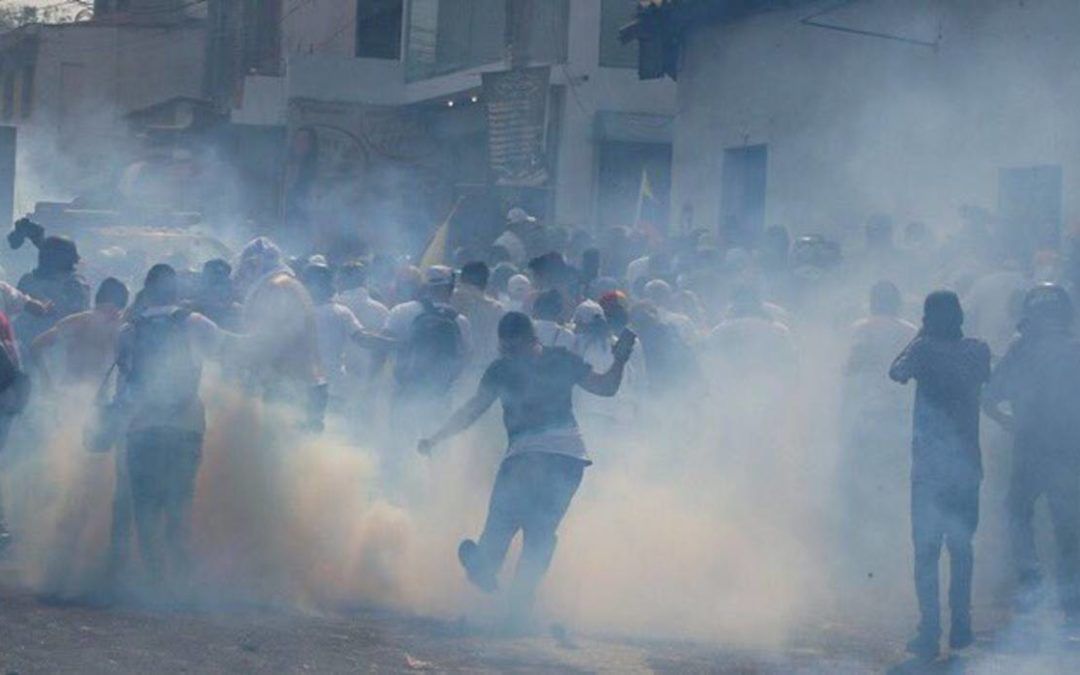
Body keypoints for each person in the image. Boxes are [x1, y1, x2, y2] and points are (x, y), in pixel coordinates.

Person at [417, 312, 636, 625]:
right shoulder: (555, 359)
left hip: (534, 456)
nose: (513, 355)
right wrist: (620, 360)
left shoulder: (510, 367)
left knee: (508, 522)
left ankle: (489, 571)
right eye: (508, 350)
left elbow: (472, 410)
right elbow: (605, 387)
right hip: (568, 458)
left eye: (513, 348)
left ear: (525, 340)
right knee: (538, 531)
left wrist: (437, 438)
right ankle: (515, 604)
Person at [112, 264, 232, 592]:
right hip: (185, 426)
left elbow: (123, 383)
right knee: (179, 502)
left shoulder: (128, 330)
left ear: (147, 290)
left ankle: (154, 580)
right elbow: (231, 352)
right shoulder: (194, 323)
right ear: (176, 290)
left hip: (141, 428)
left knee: (145, 506)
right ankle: (179, 579)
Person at [890, 291, 991, 659]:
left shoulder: (923, 349)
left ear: (927, 319)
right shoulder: (978, 349)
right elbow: (984, 379)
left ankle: (929, 630)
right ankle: (961, 626)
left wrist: (921, 333)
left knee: (927, 552)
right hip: (966, 467)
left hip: (930, 470)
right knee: (961, 549)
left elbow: (895, 371)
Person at [983, 284, 1080, 625]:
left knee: (1017, 513)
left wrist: (1014, 425)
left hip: (1031, 448)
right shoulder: (1074, 349)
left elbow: (990, 399)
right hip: (1068, 451)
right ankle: (1071, 605)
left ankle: (1031, 587)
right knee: (1067, 525)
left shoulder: (1021, 350)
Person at [31, 277, 130, 389]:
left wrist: (46, 379)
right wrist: (46, 380)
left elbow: (36, 346)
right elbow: (36, 346)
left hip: (95, 395)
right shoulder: (80, 321)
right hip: (71, 392)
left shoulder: (118, 326)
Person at [14, 235, 91, 346]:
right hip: (56, 348)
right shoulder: (75, 284)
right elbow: (81, 319)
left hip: (25, 344)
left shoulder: (27, 280)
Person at [452, 261, 504, 366]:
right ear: (486, 282)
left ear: (461, 279)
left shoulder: (450, 300)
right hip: (483, 365)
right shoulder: (496, 308)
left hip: (454, 367)